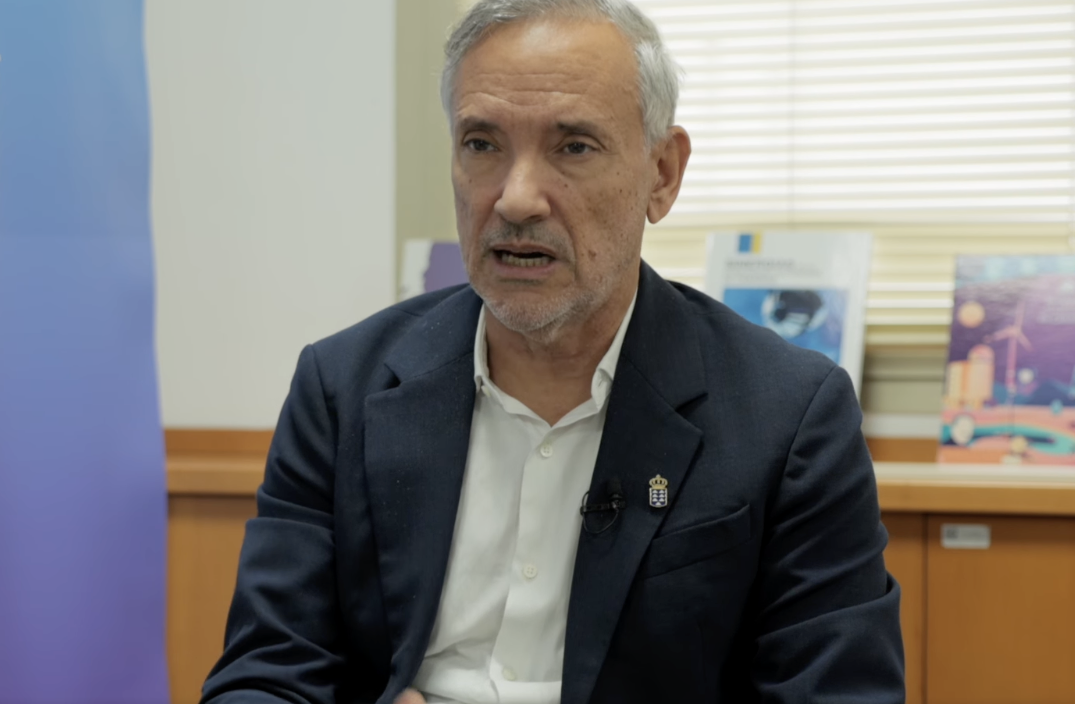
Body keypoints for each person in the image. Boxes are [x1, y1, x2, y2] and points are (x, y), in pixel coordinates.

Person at [201, 0, 905, 702]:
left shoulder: (788, 417)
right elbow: (265, 675)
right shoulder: (342, 389)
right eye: (482, 144)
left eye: (573, 147)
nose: (516, 200)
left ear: (662, 173)